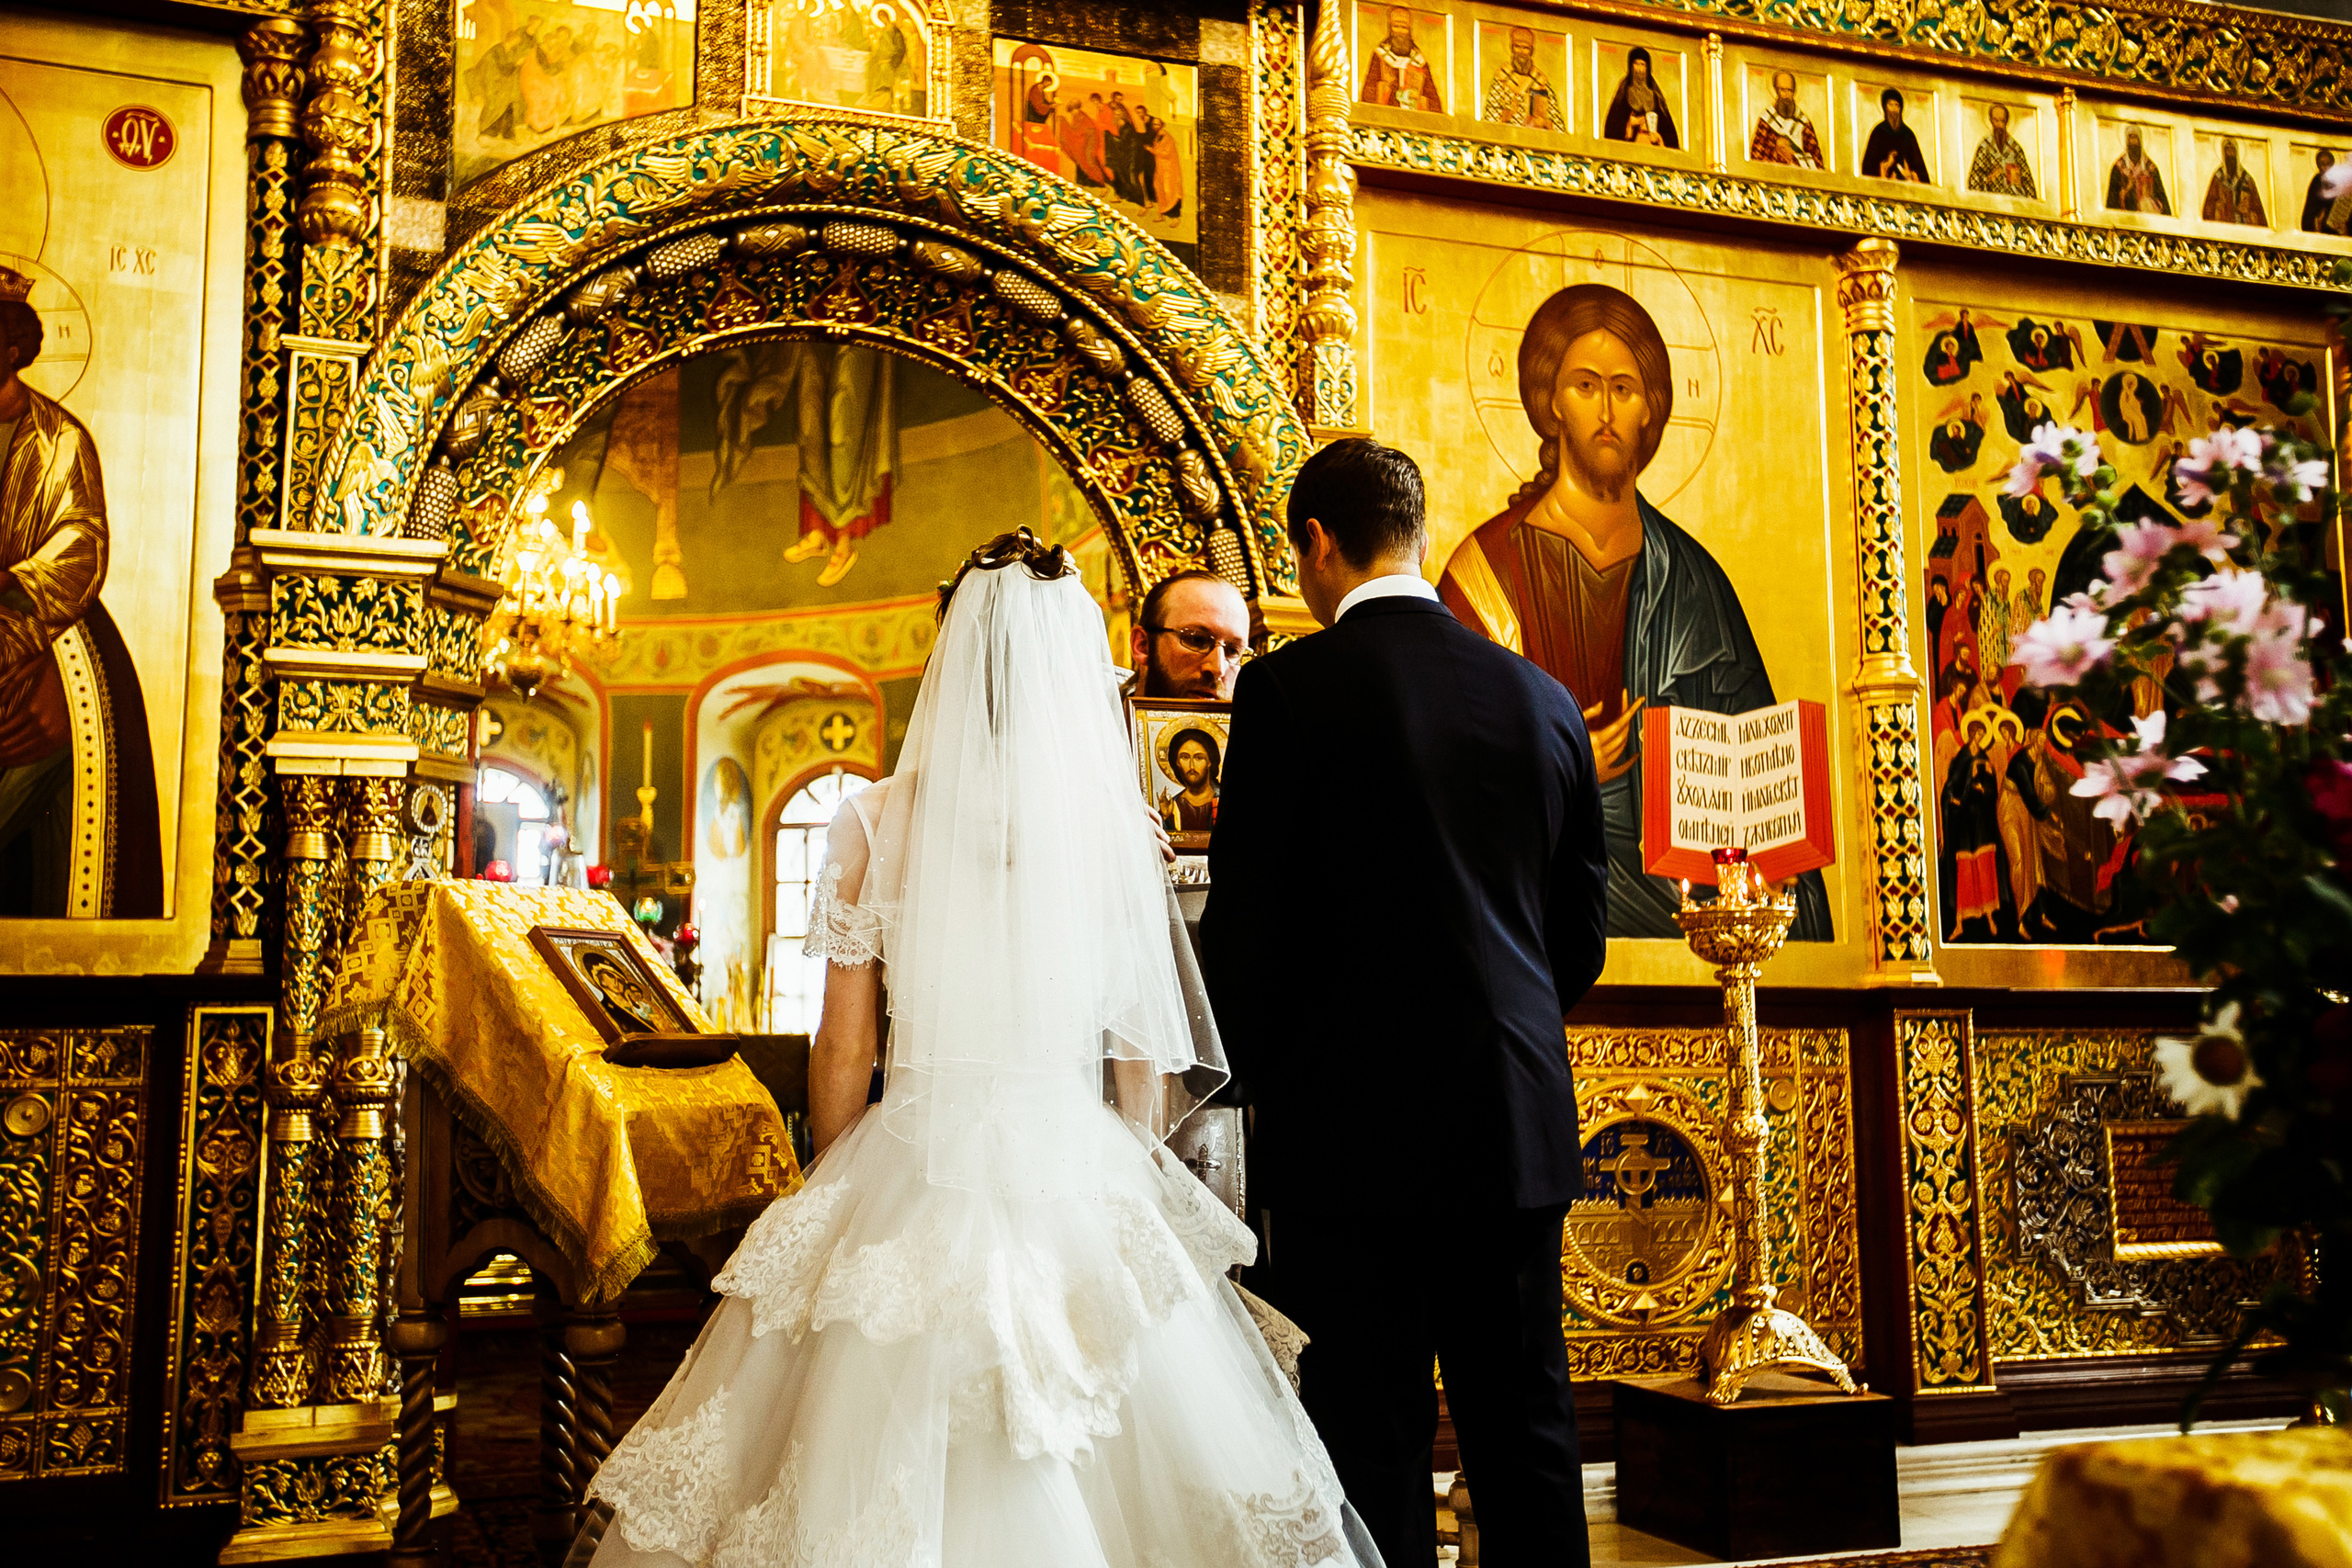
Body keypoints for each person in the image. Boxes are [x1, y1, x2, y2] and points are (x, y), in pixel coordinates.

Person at [582, 530, 1379, 1568]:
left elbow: (844, 1041)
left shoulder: (872, 820)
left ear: (949, 657)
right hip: (1073, 1159)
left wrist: (836, 1180)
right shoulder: (1116, 829)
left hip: (913, 1151)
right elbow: (1134, 1055)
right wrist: (1128, 1171)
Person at [1204, 437, 1606, 1568]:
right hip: (1514, 1119)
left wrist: (1251, 1089)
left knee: (1370, 1428)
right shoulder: (1544, 700)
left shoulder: (1287, 691)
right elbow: (1576, 945)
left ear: (1317, 546)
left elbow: (1247, 936)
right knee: (1524, 1422)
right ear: (1419, 536)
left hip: (1347, 1137)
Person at [1436, 283, 1832, 941]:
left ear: (1652, 407)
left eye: (1625, 388)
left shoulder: (1694, 578)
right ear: (1549, 401)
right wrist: (1561, 768)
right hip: (1541, 867)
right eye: (1585, 385)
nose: (1607, 409)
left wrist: (1774, 850)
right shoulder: (1486, 573)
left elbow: (1758, 764)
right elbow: (1447, 767)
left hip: (1685, 881)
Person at [0, 265, 160, 919]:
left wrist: (13, 586)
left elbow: (81, 542)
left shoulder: (60, 440)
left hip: (25, 647)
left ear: (12, 350)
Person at [1128, 567, 1251, 700]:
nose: (1218, 669)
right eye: (1197, 640)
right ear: (1142, 646)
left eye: (1233, 651)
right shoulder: (1103, 715)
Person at [1360, 7, 1442, 114]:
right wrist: (1386, 87)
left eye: (1404, 27)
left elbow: (1435, 104)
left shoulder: (1420, 62)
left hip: (1414, 119)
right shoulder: (1380, 57)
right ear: (1390, 29)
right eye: (1396, 26)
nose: (1400, 32)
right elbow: (1367, 94)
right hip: (1385, 117)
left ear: (1410, 30)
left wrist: (1419, 98)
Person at [1484, 27, 1566, 132]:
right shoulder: (1502, 77)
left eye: (1526, 48)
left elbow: (1558, 125)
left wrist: (1543, 122)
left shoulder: (1540, 81)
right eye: (1517, 47)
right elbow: (1489, 117)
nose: (1521, 52)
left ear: (1531, 51)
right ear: (1511, 48)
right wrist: (1508, 114)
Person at [1600, 46, 1677, 148]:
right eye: (1636, 64)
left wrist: (1658, 136)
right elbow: (1612, 126)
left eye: (1643, 65)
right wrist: (1629, 124)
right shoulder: (1624, 91)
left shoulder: (1655, 94)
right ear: (1631, 66)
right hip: (1630, 147)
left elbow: (1667, 128)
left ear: (1647, 67)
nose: (1640, 69)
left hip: (1653, 146)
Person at [1749, 69, 1821, 169]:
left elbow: (1817, 162)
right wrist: (1775, 145)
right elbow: (1756, 157)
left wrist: (1793, 156)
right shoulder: (1766, 119)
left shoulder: (1804, 122)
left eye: (1790, 90)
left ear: (1794, 91)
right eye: (1782, 90)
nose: (1787, 95)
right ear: (1776, 91)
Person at [1861, 87, 1931, 182]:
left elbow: (1920, 169)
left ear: (1901, 108)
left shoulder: (1908, 134)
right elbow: (1867, 168)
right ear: (1885, 107)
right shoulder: (1878, 132)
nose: (1894, 109)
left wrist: (1910, 174)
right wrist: (1886, 164)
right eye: (1890, 105)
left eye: (1897, 105)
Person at [1966, 103, 2037, 197]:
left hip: (2015, 201)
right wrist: (1989, 178)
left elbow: (2027, 180)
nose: (1999, 125)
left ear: (2006, 121)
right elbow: (1974, 180)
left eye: (2002, 121)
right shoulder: (1984, 147)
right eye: (1996, 120)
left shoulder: (2015, 148)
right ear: (1991, 121)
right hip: (1991, 200)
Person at [1159, 728, 1221, 832]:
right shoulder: (1172, 807)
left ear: (1209, 761)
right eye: (1185, 757)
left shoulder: (1224, 800)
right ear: (1177, 762)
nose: (1192, 766)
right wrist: (1166, 818)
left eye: (1199, 758)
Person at [2200, 137, 2267, 226]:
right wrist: (2217, 207)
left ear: (2237, 154)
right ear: (2223, 155)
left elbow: (2258, 212)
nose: (2230, 155)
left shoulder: (2247, 179)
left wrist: (2247, 211)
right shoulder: (2218, 178)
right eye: (2227, 151)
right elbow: (2207, 211)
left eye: (2233, 151)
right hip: (2224, 227)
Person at [2107, 125, 2170, 215]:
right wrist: (2126, 190)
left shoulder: (2151, 168)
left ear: (2140, 140)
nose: (2133, 141)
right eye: (2130, 137)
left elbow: (2161, 198)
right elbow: (2112, 201)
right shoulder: (2118, 168)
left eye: (2135, 137)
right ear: (2126, 141)